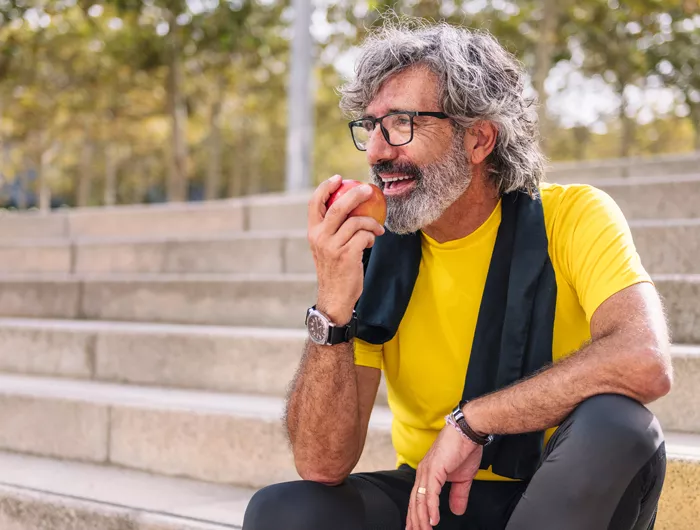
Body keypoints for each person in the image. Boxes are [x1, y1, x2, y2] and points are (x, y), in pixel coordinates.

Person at [243, 20, 672, 530]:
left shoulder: (575, 216)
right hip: (434, 500)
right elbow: (321, 463)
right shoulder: (370, 253)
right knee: (284, 511)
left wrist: (473, 422)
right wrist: (332, 307)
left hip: (565, 493)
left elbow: (643, 359)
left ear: (479, 138)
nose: (378, 151)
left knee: (618, 427)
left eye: (401, 123)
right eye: (370, 127)